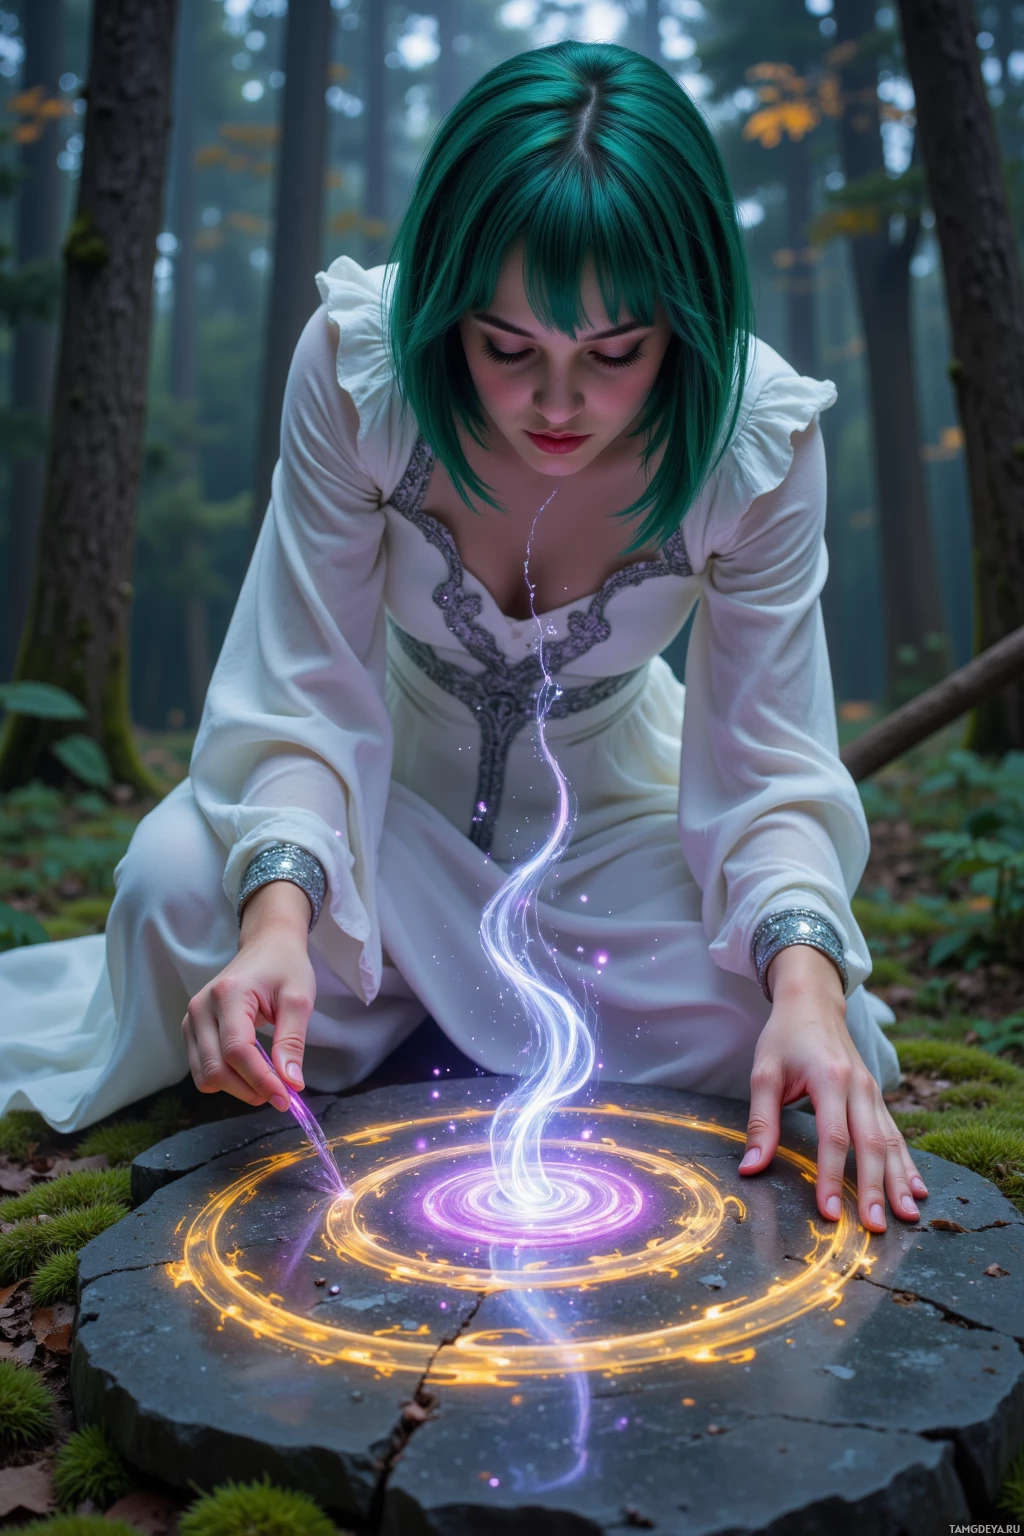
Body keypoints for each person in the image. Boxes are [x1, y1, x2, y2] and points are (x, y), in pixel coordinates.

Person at [0, 39, 926, 1237]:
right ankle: (409, 1007)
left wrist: (802, 984)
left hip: (607, 833)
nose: (558, 403)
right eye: (506, 346)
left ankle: (407, 1025)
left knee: (783, 1018)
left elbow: (766, 765)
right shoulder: (361, 371)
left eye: (615, 353)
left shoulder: (757, 443)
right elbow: (305, 686)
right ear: (449, 305)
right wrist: (280, 920)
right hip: (373, 806)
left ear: (684, 323)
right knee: (178, 895)